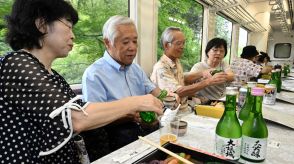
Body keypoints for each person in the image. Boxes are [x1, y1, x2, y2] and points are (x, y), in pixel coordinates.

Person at [0, 1, 163, 163]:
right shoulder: (16, 63)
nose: (73, 35)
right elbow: (76, 119)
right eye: (68, 25)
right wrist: (137, 102)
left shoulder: (53, 76)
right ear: (42, 25)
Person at [82, 15, 175, 159]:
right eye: (125, 42)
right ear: (107, 43)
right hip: (118, 139)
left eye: (135, 41)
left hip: (147, 130)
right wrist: (132, 115)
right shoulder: (94, 74)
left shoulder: (136, 69)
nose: (132, 47)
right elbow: (94, 121)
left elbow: (155, 92)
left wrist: (169, 96)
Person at [150, 27, 227, 112]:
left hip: (184, 108)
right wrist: (208, 82)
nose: (182, 47)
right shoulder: (161, 68)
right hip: (171, 114)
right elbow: (179, 91)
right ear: (166, 45)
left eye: (183, 43)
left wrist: (203, 74)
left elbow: (182, 79)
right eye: (179, 43)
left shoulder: (176, 62)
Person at [190, 38, 234, 104]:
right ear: (208, 52)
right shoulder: (199, 66)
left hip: (221, 100)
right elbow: (188, 80)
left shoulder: (223, 63)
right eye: (215, 50)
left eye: (222, 51)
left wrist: (216, 75)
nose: (218, 53)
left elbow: (231, 76)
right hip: (204, 100)